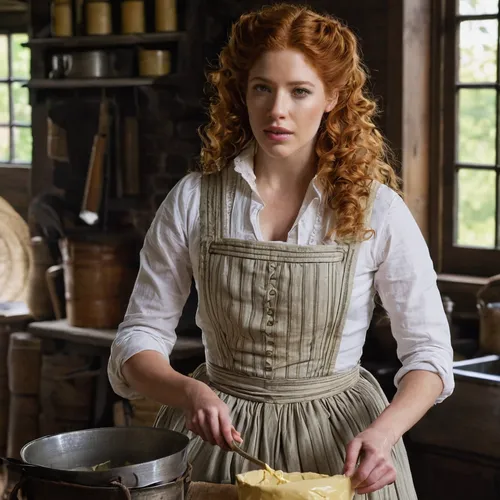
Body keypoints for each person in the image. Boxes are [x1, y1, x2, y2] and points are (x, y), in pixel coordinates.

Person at [108, 3, 454, 498]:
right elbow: (139, 336)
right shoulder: (192, 199)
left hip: (340, 452)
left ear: (333, 97)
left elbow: (429, 354)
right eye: (262, 88)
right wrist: (188, 391)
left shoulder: (378, 210)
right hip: (217, 445)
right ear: (241, 92)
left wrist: (385, 431)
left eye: (300, 91)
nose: (277, 111)